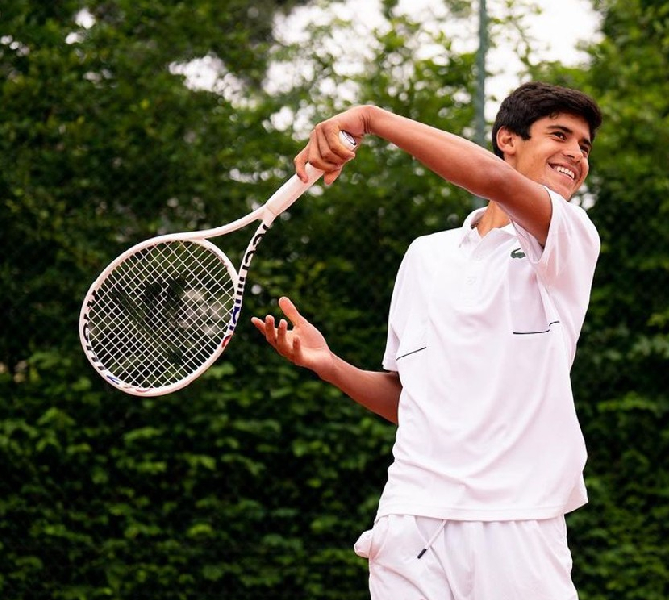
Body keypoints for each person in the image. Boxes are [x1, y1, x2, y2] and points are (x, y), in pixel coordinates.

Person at [251, 81, 603, 600]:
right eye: (560, 135)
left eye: (584, 146)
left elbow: (492, 179)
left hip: (517, 524)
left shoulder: (570, 234)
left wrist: (370, 117)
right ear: (508, 138)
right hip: (409, 520)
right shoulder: (425, 257)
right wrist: (330, 366)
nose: (575, 153)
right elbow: (408, 400)